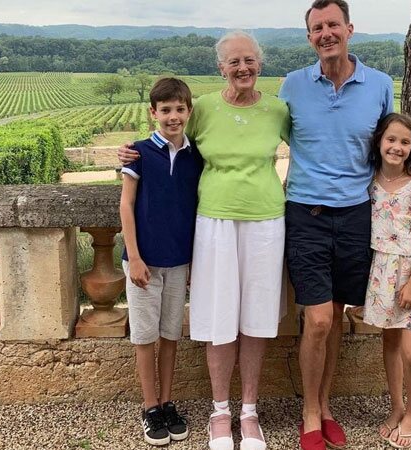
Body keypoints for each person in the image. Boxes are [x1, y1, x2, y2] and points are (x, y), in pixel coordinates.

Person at [119, 31, 290, 450]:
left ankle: (248, 412)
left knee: (256, 317)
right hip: (213, 223)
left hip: (266, 220)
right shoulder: (205, 109)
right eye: (234, 61)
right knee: (218, 317)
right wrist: (128, 154)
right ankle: (219, 411)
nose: (243, 68)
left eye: (249, 60)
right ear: (221, 68)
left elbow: (314, 150)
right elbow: (168, 141)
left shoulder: (279, 110)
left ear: (260, 64)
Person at [278, 1, 394, 449]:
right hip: (305, 213)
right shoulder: (292, 86)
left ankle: (326, 405)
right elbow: (257, 132)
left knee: (341, 314)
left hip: (357, 216)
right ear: (309, 37)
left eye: (332, 25)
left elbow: (389, 145)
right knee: (319, 319)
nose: (325, 33)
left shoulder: (380, 85)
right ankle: (309, 412)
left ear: (349, 29)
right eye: (316, 28)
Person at [119, 77, 201, 447]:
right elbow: (126, 205)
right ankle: (149, 406)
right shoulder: (138, 152)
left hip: (178, 261)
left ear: (188, 111)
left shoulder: (195, 156)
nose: (173, 116)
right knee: (145, 336)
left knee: (170, 334)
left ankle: (168, 401)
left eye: (179, 109)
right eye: (165, 110)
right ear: (153, 112)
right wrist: (134, 257)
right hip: (145, 263)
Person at [363, 113, 411, 449]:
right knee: (390, 345)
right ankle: (396, 407)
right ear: (380, 141)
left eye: (404, 142)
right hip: (383, 272)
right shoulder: (371, 181)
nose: (397, 147)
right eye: (391, 140)